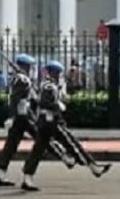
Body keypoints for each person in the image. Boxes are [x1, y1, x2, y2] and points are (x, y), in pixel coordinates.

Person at [20, 61, 111, 191]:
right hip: (51, 122)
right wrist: (57, 105)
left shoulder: (48, 85)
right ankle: (92, 166)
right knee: (72, 144)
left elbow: (37, 102)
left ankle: (27, 178)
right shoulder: (49, 86)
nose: (59, 76)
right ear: (53, 73)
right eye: (58, 73)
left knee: (38, 150)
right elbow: (44, 102)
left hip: (46, 122)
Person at [0, 54, 75, 188]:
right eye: (30, 66)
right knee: (41, 140)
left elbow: (33, 97)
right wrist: (12, 117)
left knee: (13, 143)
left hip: (24, 115)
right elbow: (14, 99)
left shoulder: (21, 79)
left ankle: (2, 173)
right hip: (24, 116)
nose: (32, 69)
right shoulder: (22, 79)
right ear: (25, 66)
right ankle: (61, 157)